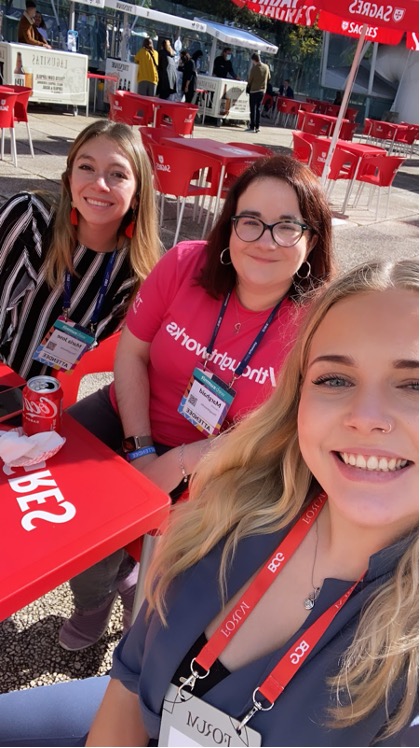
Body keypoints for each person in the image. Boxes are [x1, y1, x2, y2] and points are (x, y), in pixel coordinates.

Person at [0, 259, 417, 747]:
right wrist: (149, 450)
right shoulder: (228, 514)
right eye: (334, 380)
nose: (366, 417)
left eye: (414, 384)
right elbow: (133, 677)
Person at [57, 154, 335, 652]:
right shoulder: (185, 263)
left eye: (286, 226)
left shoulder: (319, 322)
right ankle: (98, 594)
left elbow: (288, 429)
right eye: (249, 222)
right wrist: (141, 450)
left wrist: (183, 461)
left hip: (234, 460)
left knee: (193, 556)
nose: (264, 240)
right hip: (134, 415)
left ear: (311, 239)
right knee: (63, 482)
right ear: (229, 227)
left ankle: (140, 600)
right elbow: (132, 353)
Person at [0, 120, 160, 381]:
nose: (99, 184)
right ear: (69, 181)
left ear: (137, 197)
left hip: (48, 409)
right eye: (86, 167)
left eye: (118, 174)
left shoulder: (133, 275)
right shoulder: (31, 222)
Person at [246, 52, 271, 134]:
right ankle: (258, 126)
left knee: (252, 108)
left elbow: (250, 80)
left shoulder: (254, 69)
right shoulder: (266, 67)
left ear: (254, 60)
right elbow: (269, 78)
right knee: (258, 108)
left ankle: (252, 126)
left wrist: (249, 86)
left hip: (254, 90)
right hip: (262, 90)